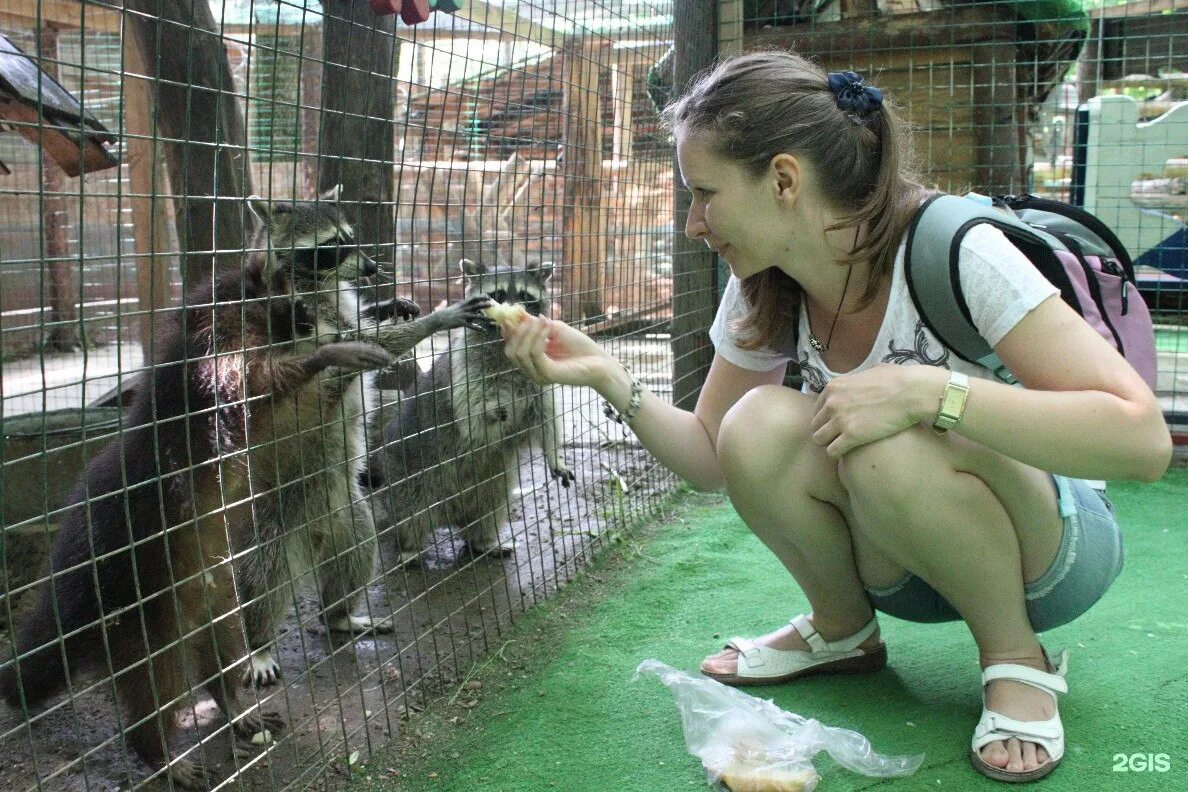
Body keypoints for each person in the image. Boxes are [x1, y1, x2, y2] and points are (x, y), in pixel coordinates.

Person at [500, 51, 1172, 783]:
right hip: (906, 556)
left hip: (1051, 553)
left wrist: (928, 393)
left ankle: (1014, 655)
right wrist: (605, 375)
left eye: (705, 194)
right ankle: (842, 630)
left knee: (891, 442)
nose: (694, 223)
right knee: (756, 421)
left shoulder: (957, 249)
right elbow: (710, 457)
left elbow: (1141, 442)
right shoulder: (764, 280)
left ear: (784, 180)